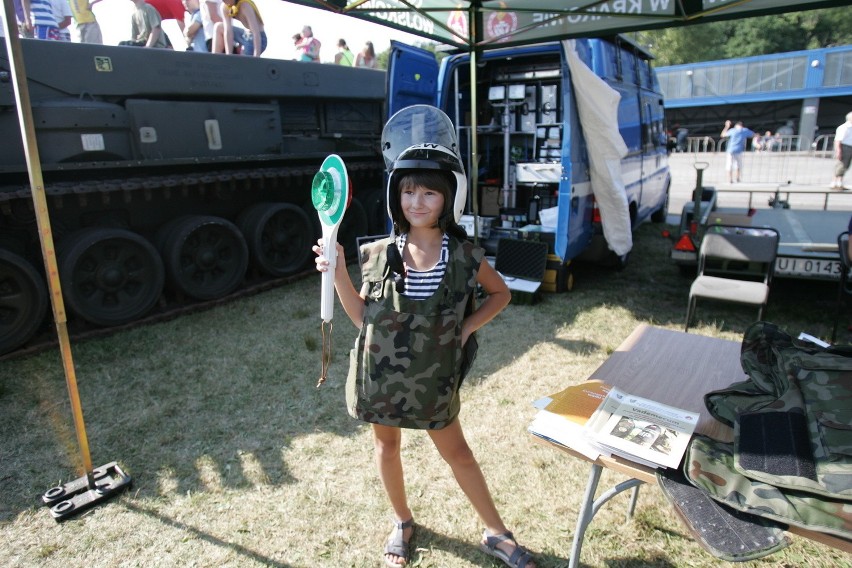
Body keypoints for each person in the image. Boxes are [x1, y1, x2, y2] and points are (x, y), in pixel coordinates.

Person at [313, 105, 534, 568]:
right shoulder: (376, 254)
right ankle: (402, 521)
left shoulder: (465, 255)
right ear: (397, 195)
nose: (417, 202)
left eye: (429, 193)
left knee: (460, 454)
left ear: (448, 197)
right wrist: (335, 272)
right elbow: (361, 318)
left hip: (434, 379)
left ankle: (496, 532)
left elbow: (500, 294)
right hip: (380, 377)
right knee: (385, 446)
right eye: (408, 191)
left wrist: (465, 326)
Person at [720, 119, 755, 184]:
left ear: (736, 126)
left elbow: (722, 135)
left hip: (731, 150)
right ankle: (738, 178)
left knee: (729, 165)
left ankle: (730, 179)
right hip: (739, 150)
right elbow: (753, 134)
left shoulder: (733, 130)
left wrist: (726, 126)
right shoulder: (745, 130)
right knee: (738, 165)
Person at [832, 111, 852, 191]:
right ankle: (834, 183)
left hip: (849, 147)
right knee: (841, 165)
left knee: (845, 165)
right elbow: (838, 140)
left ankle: (839, 182)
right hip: (844, 147)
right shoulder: (844, 127)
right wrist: (838, 151)